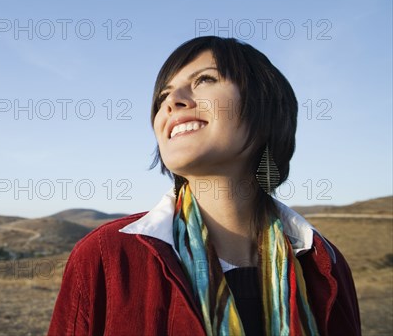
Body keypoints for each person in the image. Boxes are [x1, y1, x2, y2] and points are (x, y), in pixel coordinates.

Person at [48, 36, 361, 335]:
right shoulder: (107, 256)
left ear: (264, 107)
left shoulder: (323, 264)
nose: (172, 102)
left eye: (204, 80)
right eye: (162, 97)